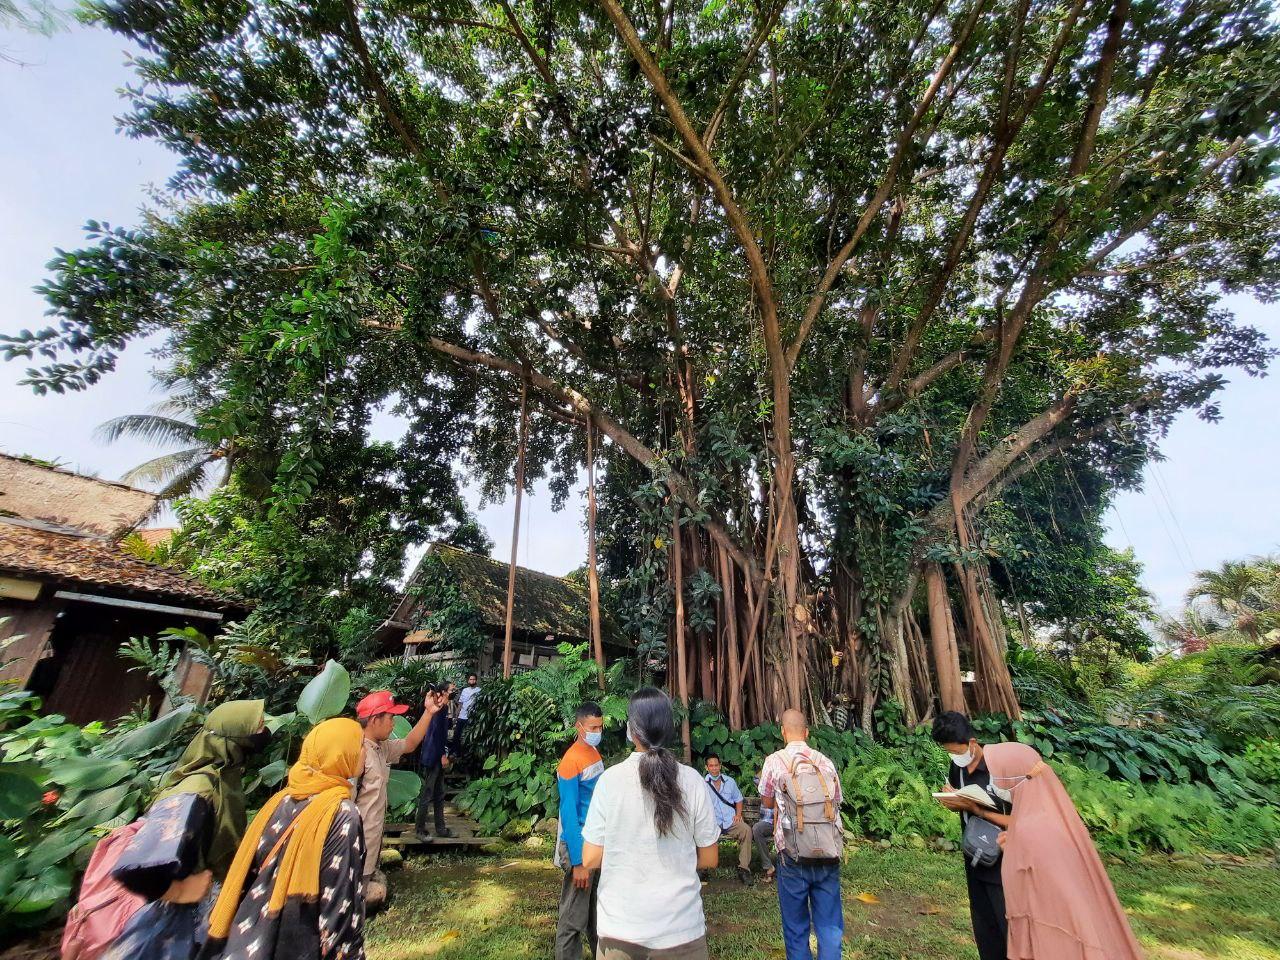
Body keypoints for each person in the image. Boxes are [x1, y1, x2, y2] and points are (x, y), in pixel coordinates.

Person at [102, 700, 269, 960]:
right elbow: (136, 868)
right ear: (234, 735)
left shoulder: (224, 780)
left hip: (208, 911)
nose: (263, 731)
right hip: (180, 920)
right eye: (257, 726)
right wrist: (178, 890)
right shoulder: (197, 790)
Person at [202, 717, 366, 960]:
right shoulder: (342, 814)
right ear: (341, 755)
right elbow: (339, 898)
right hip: (296, 942)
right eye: (360, 746)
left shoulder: (279, 801)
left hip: (249, 939)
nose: (364, 752)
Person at [581, 687, 720, 960]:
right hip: (682, 931)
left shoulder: (610, 781)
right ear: (668, 728)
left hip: (620, 932)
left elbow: (590, 858)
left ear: (631, 730)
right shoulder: (693, 781)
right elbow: (710, 857)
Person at [984, 741, 1144, 960]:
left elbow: (1035, 888)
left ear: (1013, 778)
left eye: (996, 776)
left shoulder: (1029, 828)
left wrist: (1015, 849)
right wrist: (1014, 846)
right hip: (1078, 920)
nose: (992, 782)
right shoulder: (1050, 814)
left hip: (1054, 930)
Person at [759, 709, 844, 960]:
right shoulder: (825, 761)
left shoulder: (774, 761)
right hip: (827, 851)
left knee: (796, 927)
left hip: (792, 853)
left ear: (782, 732)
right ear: (807, 733)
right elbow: (836, 800)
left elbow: (766, 802)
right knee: (829, 926)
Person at [932, 711, 1014, 960]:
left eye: (957, 751)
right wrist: (952, 799)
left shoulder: (1000, 769)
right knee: (984, 926)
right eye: (949, 752)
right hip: (974, 855)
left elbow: (1021, 820)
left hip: (1003, 860)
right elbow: (963, 803)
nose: (955, 757)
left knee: (1008, 926)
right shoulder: (957, 768)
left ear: (972, 742)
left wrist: (977, 809)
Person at [354, 689, 446, 909]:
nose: (393, 723)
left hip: (371, 842)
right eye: (390, 717)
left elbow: (409, 744)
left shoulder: (381, 748)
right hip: (356, 843)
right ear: (374, 720)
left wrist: (429, 712)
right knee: (355, 900)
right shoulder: (357, 753)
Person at [554, 702, 605, 960]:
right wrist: (578, 862)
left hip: (595, 843)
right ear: (579, 726)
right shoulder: (570, 762)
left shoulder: (594, 752)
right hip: (581, 847)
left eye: (600, 727)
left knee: (596, 915)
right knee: (573, 918)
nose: (597, 731)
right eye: (592, 727)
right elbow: (568, 814)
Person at [702, 753, 753, 884]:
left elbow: (738, 799)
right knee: (700, 833)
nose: (714, 768)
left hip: (731, 820)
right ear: (707, 767)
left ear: (720, 766)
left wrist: (738, 814)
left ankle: (744, 869)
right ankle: (703, 869)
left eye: (716, 765)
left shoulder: (730, 781)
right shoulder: (702, 784)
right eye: (711, 766)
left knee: (746, 830)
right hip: (713, 822)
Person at [414, 683, 454, 840]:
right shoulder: (437, 709)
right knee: (428, 794)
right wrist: (442, 755)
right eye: (451, 690)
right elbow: (436, 735)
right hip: (433, 756)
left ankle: (441, 829)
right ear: (442, 693)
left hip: (436, 755)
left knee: (439, 794)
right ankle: (419, 830)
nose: (453, 693)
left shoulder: (443, 708)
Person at [751, 779, 776, 882]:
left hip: (781, 822)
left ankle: (792, 868)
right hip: (767, 823)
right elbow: (756, 779)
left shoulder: (783, 781)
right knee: (757, 829)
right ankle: (768, 866)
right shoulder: (763, 782)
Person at [452, 673, 481, 756]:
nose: (472, 681)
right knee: (457, 735)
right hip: (462, 716)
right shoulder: (464, 690)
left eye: (474, 679)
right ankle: (456, 753)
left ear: (476, 680)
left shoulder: (479, 690)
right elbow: (460, 704)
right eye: (471, 679)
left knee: (468, 736)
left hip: (472, 717)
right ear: (468, 681)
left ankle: (467, 755)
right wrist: (456, 716)